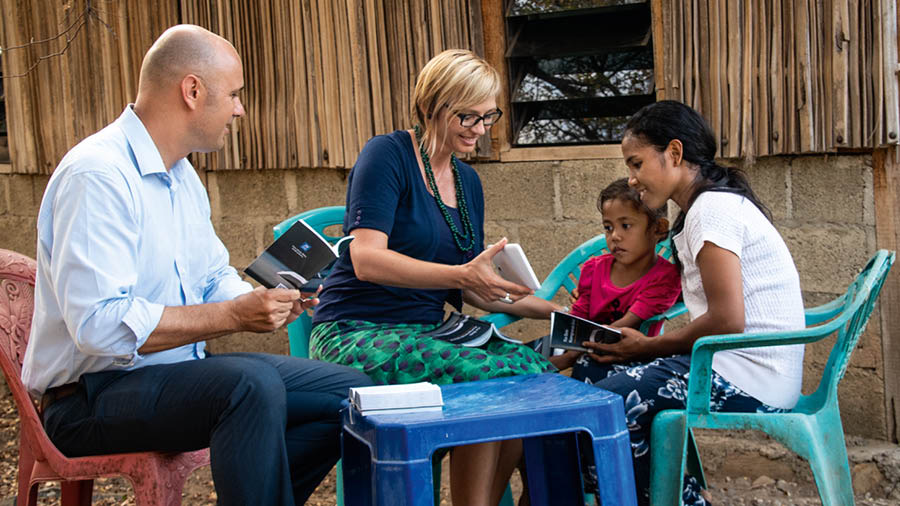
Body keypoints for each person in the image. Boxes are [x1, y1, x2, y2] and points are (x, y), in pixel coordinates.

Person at [21, 24, 373, 505]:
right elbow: (98, 325)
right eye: (233, 94)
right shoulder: (97, 176)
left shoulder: (181, 174)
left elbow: (210, 276)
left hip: (175, 380)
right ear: (192, 90)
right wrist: (231, 318)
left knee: (350, 391)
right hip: (87, 399)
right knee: (247, 387)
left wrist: (259, 301)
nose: (239, 109)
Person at [309, 49, 558, 505]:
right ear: (430, 107)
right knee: (486, 377)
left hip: (429, 331)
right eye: (468, 116)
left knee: (533, 373)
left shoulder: (468, 183)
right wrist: (463, 273)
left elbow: (472, 288)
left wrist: (556, 311)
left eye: (489, 117)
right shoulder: (388, 155)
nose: (480, 130)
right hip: (357, 329)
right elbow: (366, 259)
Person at [579, 101, 805, 505]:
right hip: (732, 363)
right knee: (590, 369)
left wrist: (647, 346)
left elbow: (727, 320)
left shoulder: (711, 210)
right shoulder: (706, 206)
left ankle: (678, 500)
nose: (631, 179)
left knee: (606, 403)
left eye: (636, 164)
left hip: (752, 375)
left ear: (675, 153)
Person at [546, 178, 681, 373]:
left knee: (586, 368)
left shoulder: (664, 277)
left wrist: (568, 358)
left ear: (658, 229)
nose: (614, 236)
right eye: (608, 228)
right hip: (588, 353)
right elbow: (578, 318)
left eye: (625, 226)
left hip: (635, 363)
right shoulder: (593, 269)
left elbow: (625, 325)